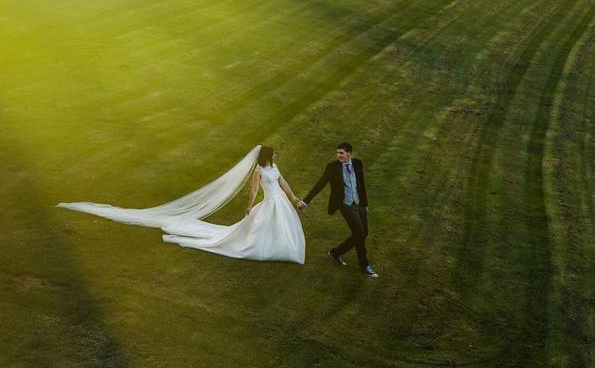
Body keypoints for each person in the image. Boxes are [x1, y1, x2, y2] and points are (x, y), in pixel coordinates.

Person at [58, 145, 306, 264]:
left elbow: (284, 183)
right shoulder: (259, 171)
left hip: (280, 203)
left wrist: (294, 199)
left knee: (279, 224)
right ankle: (267, 247)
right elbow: (252, 191)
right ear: (266, 157)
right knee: (258, 226)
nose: (276, 156)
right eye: (273, 154)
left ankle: (278, 245)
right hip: (268, 202)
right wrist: (250, 206)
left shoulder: (274, 168)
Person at [301, 142, 378, 278]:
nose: (338, 156)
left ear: (349, 153)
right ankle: (364, 264)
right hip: (345, 204)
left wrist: (365, 204)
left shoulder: (357, 164)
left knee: (363, 233)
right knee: (359, 233)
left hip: (359, 203)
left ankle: (336, 253)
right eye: (337, 153)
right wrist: (306, 201)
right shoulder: (332, 167)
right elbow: (320, 184)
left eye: (341, 153)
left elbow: (361, 184)